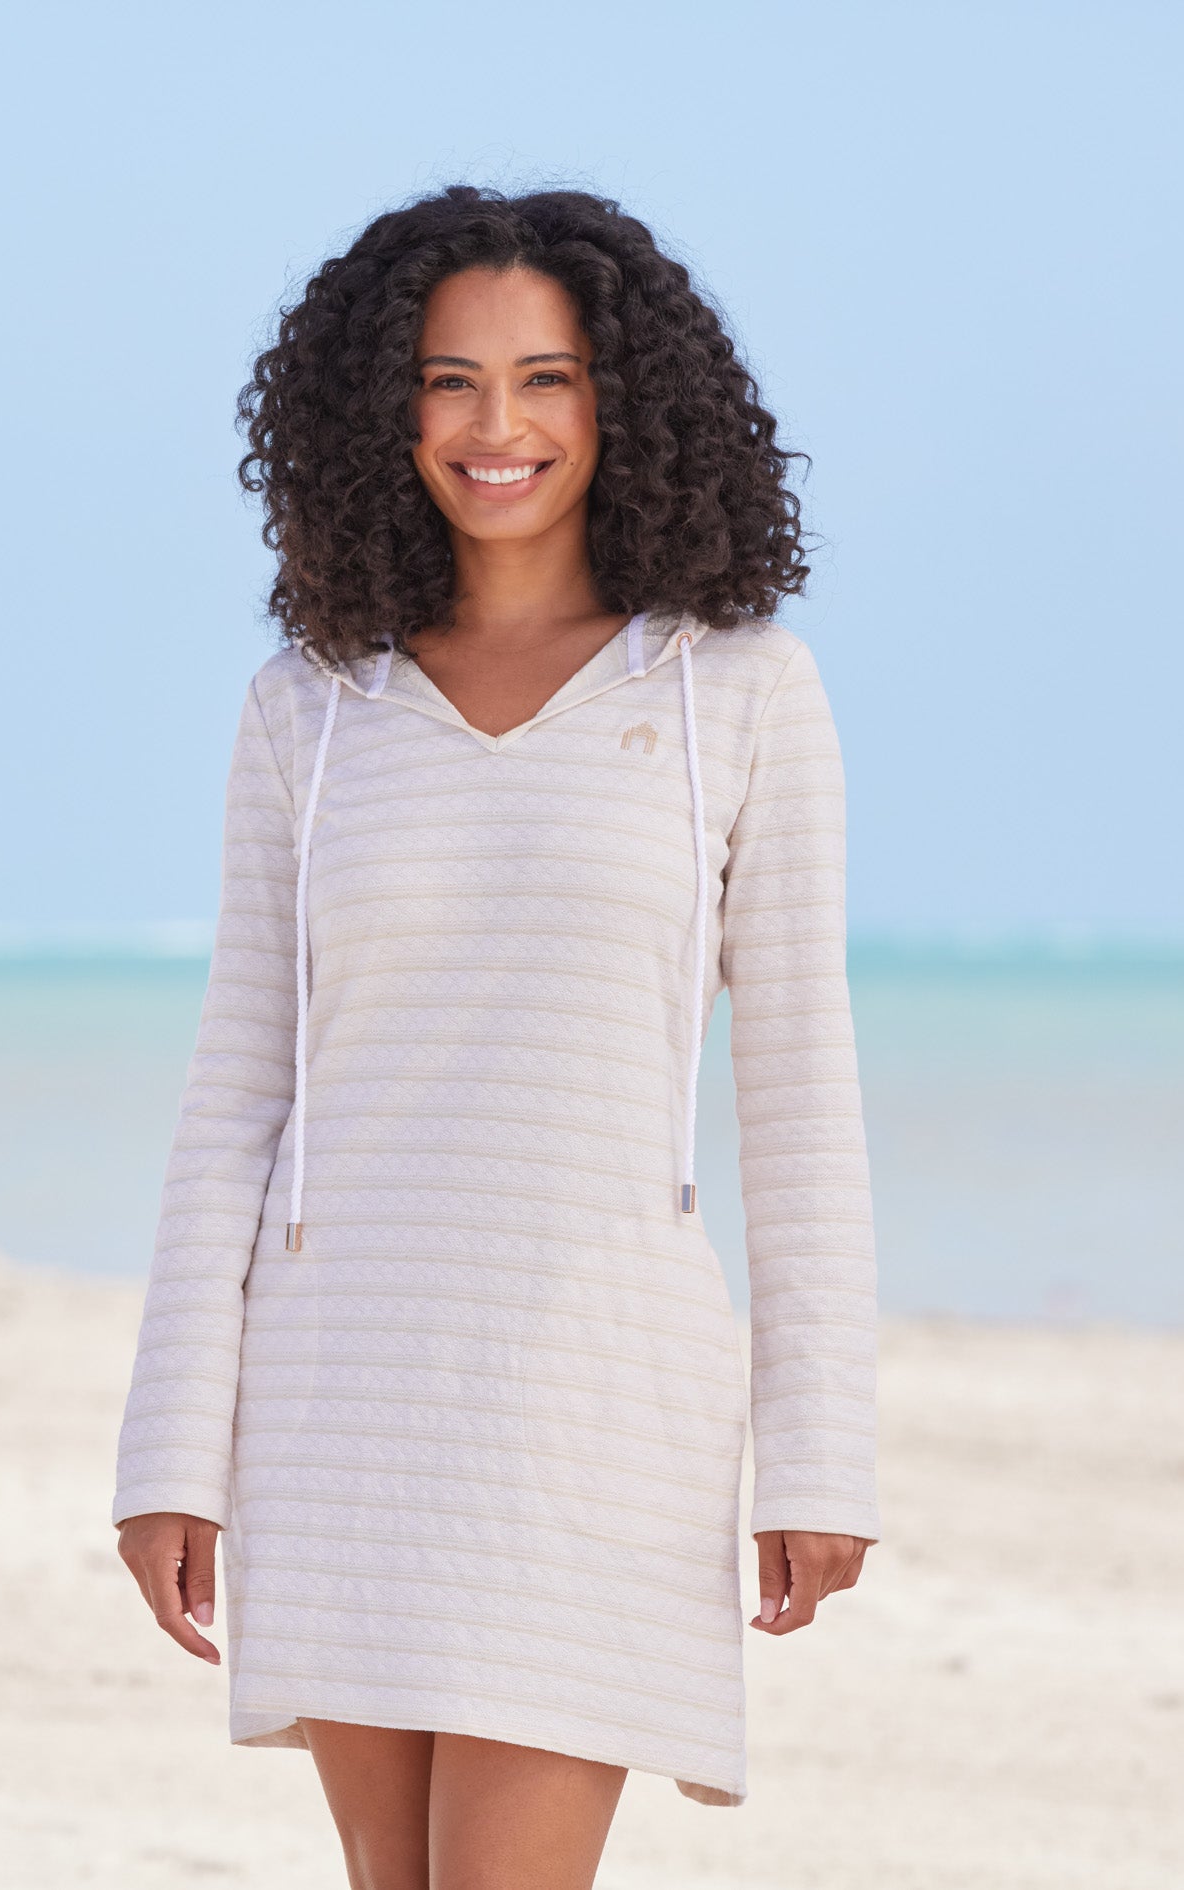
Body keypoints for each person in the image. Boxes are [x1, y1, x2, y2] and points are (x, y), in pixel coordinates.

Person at [112, 184, 880, 1890]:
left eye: (547, 377)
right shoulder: (308, 709)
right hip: (342, 1383)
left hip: (600, 1393)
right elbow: (238, 1083)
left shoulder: (739, 691)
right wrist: (168, 1445)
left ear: (626, 404)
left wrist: (818, 1446)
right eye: (447, 381)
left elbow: (802, 1087)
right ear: (383, 410)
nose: (496, 426)